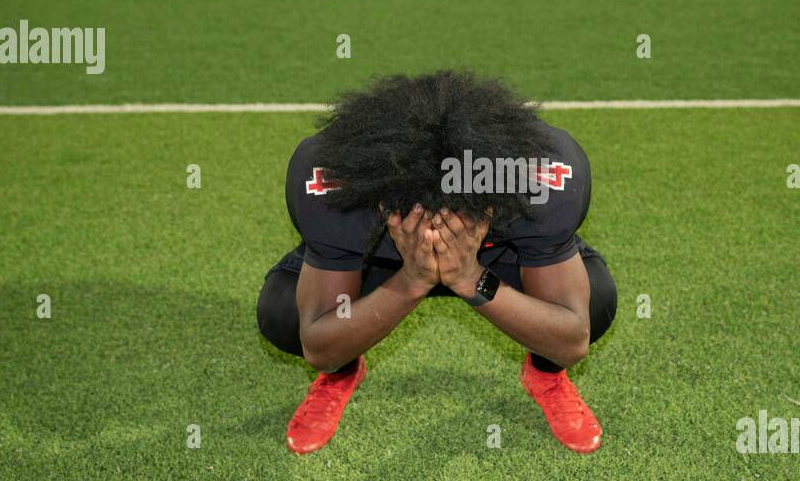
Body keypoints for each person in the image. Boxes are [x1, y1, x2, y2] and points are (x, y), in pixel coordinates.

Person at [256, 71, 617, 456]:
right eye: (419, 213)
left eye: (452, 213)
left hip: (496, 259)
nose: (434, 230)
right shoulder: (338, 187)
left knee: (592, 301)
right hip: (376, 260)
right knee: (284, 311)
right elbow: (319, 345)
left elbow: (572, 338)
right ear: (378, 196)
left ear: (491, 197)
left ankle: (545, 376)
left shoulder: (531, 181)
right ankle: (342, 374)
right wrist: (412, 280)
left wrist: (469, 277)